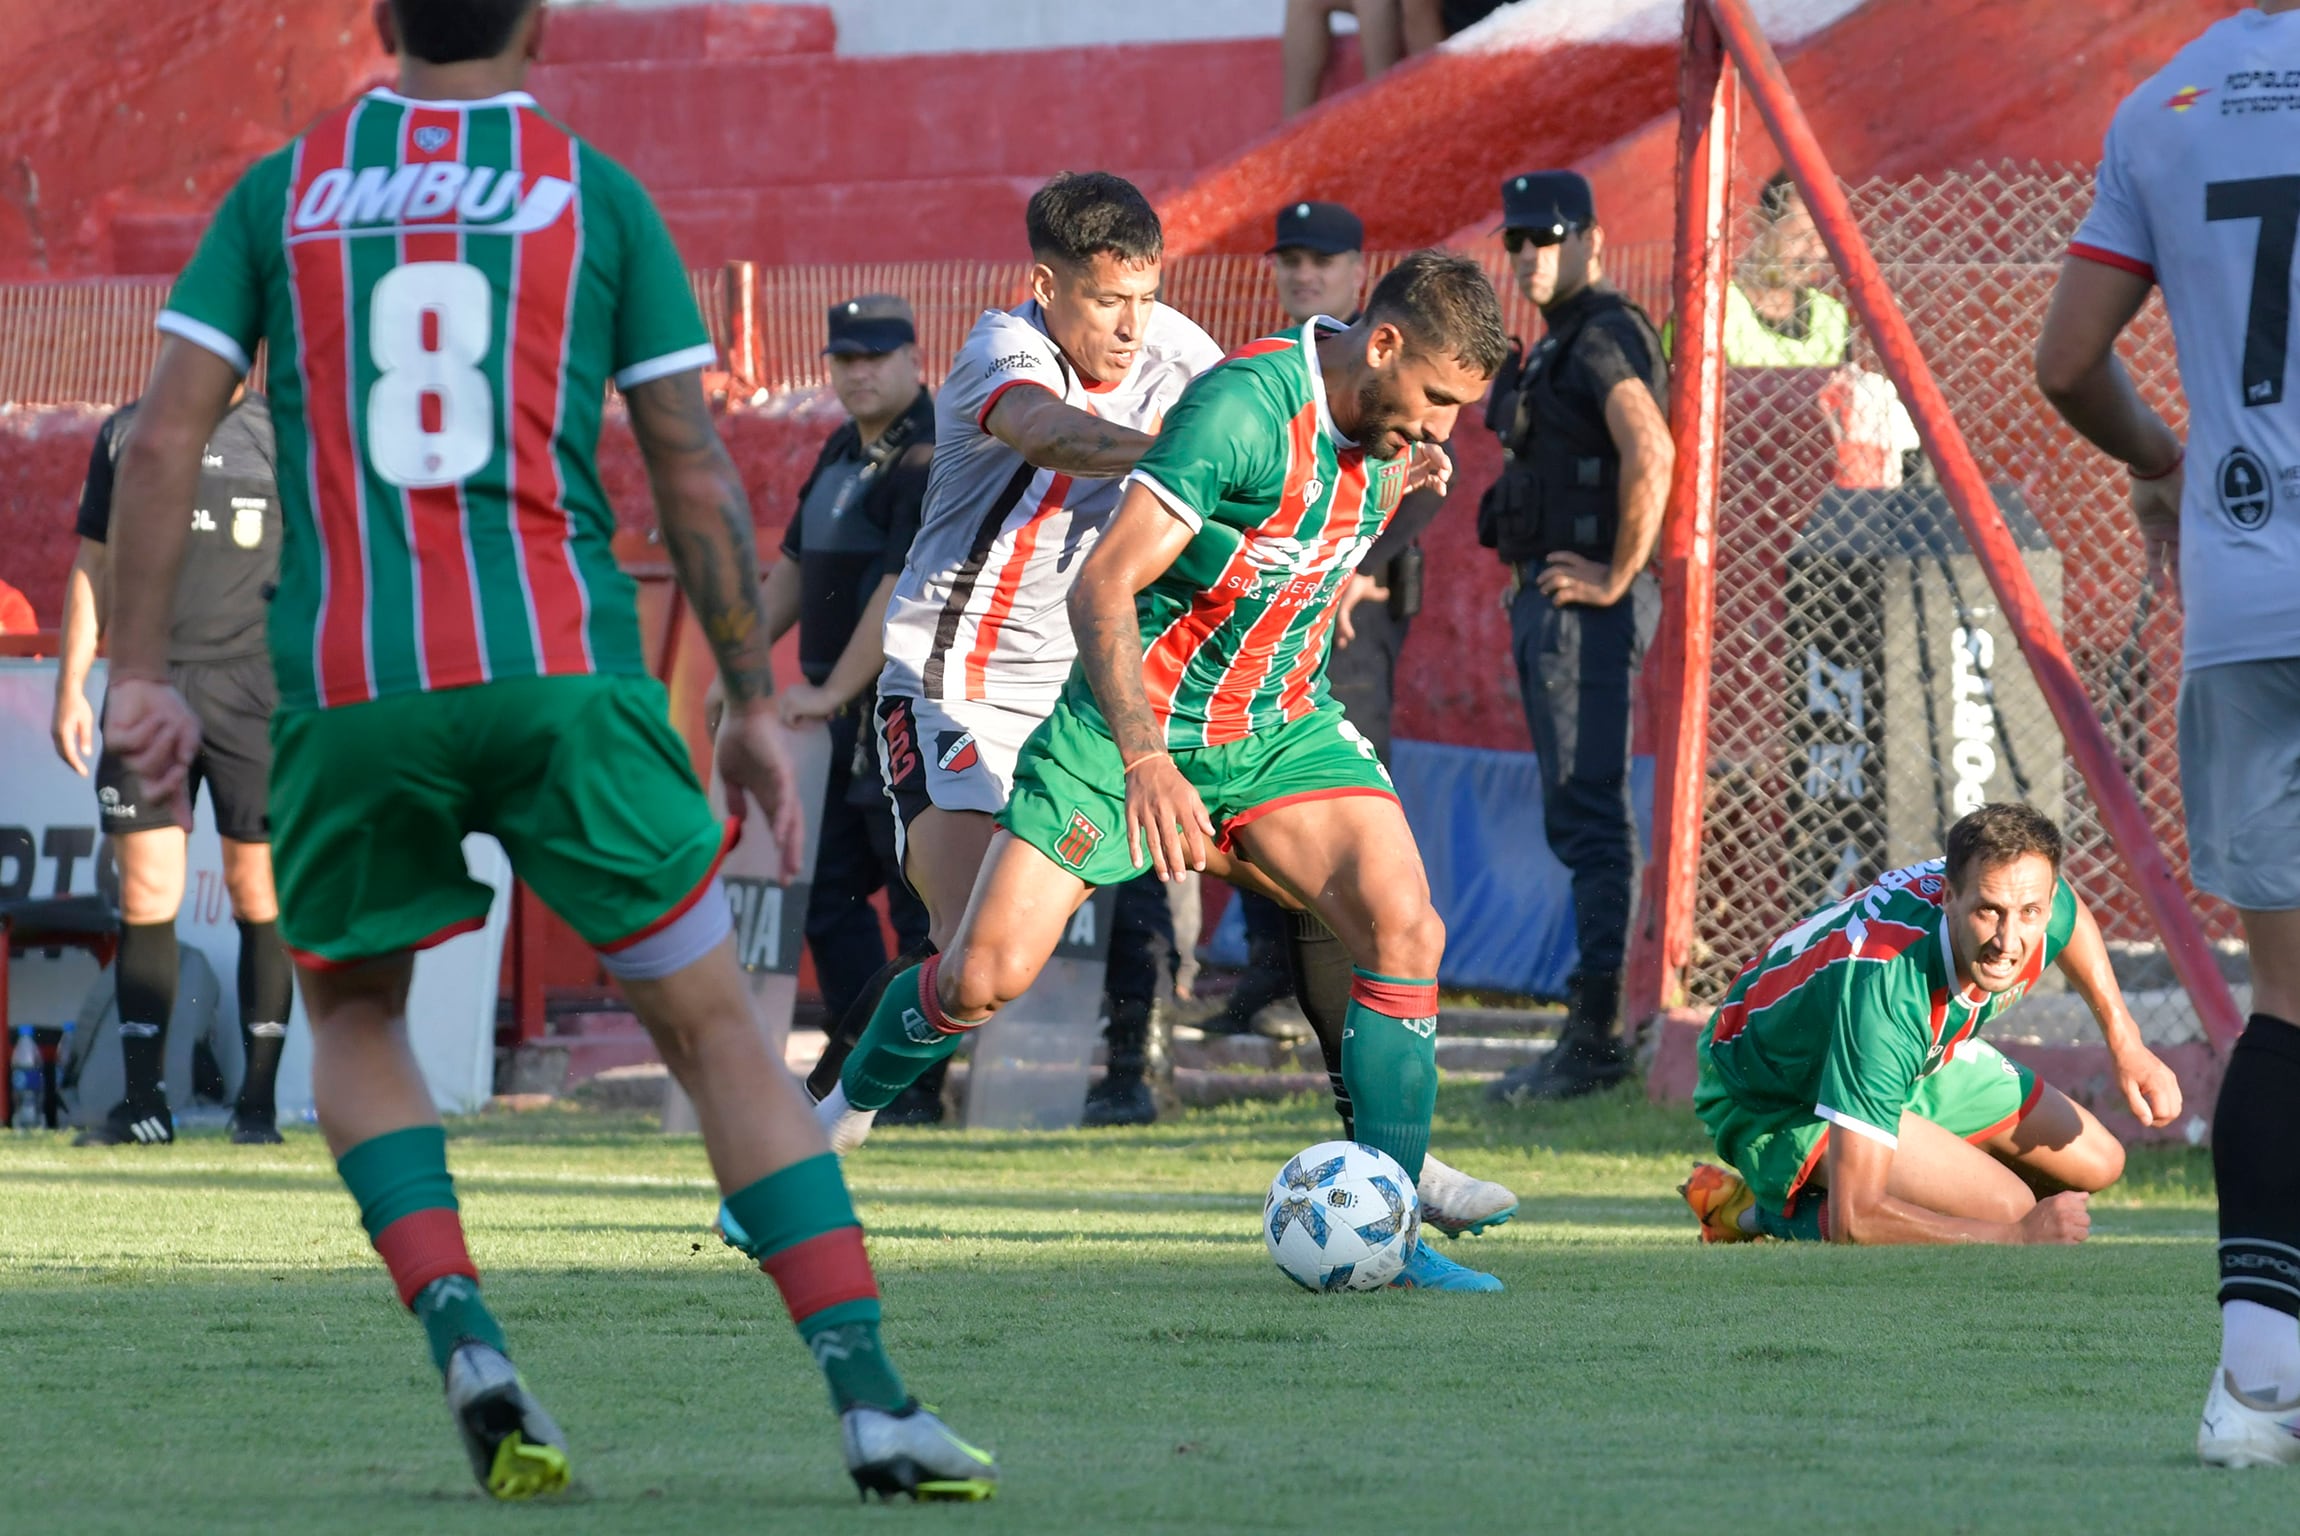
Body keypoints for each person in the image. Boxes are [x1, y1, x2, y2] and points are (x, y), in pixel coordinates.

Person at [96, 0, 993, 1503]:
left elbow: (168, 434)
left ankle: (464, 1336)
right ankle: (873, 1400)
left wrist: (133, 667)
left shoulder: (283, 191)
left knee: (359, 1018)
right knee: (715, 1034)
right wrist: (750, 703)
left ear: (381, 17)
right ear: (542, 19)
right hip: (561, 672)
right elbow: (690, 464)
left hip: (352, 687)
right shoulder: (593, 191)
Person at [821, 251, 1517, 1291]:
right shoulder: (1242, 409)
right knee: (978, 975)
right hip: (1124, 732)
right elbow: (1103, 585)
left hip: (1276, 725)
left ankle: (1392, 1224)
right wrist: (1144, 757)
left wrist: (1398, 459)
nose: (1440, 429)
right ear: (1379, 346)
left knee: (1403, 925)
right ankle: (828, 1128)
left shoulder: (1382, 430)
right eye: (1433, 401)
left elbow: (1310, 538)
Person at [2031, 0, 2300, 1467]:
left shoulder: (2166, 104)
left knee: (2291, 1007)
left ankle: (2258, 1390)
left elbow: (2069, 360)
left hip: (2253, 600)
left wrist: (2166, 463)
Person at [1679, 803, 2180, 1247]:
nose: (2009, 941)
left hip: (1913, 1059)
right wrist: (2016, 1235)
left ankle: (1945, 1191)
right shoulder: (1887, 994)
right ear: (1948, 898)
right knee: (2005, 1207)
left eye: (2029, 912)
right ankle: (1751, 1210)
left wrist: (2126, 1042)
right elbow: (1858, 1218)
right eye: (1989, 911)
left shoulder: (2031, 898)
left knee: (2099, 1161)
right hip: (1771, 1088)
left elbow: (2070, 912)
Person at [53, 392, 295, 1146]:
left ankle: (257, 1106)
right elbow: (93, 561)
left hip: (253, 690)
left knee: (259, 891)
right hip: (146, 685)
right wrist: (71, 685)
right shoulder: (127, 433)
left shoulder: (279, 433)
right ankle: (143, 1103)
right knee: (148, 893)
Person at [1478, 170, 1674, 1102]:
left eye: (1545, 238)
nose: (1527, 255)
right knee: (1578, 813)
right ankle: (1586, 1033)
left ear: (1591, 238)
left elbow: (1653, 447)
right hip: (1555, 605)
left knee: (1591, 813)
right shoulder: (1565, 338)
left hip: (1584, 609)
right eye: (1516, 239)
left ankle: (1595, 1043)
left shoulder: (1603, 332)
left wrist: (1617, 574)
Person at [760, 294, 936, 1118]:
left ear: (912, 358)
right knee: (826, 891)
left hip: (902, 710)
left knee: (917, 901)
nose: (858, 371)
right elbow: (793, 566)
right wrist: (738, 673)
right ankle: (857, 1058)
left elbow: (902, 589)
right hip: (834, 723)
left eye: (875, 355)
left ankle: (912, 1086)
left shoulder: (927, 453)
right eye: (844, 358)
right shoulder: (841, 445)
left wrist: (834, 689)